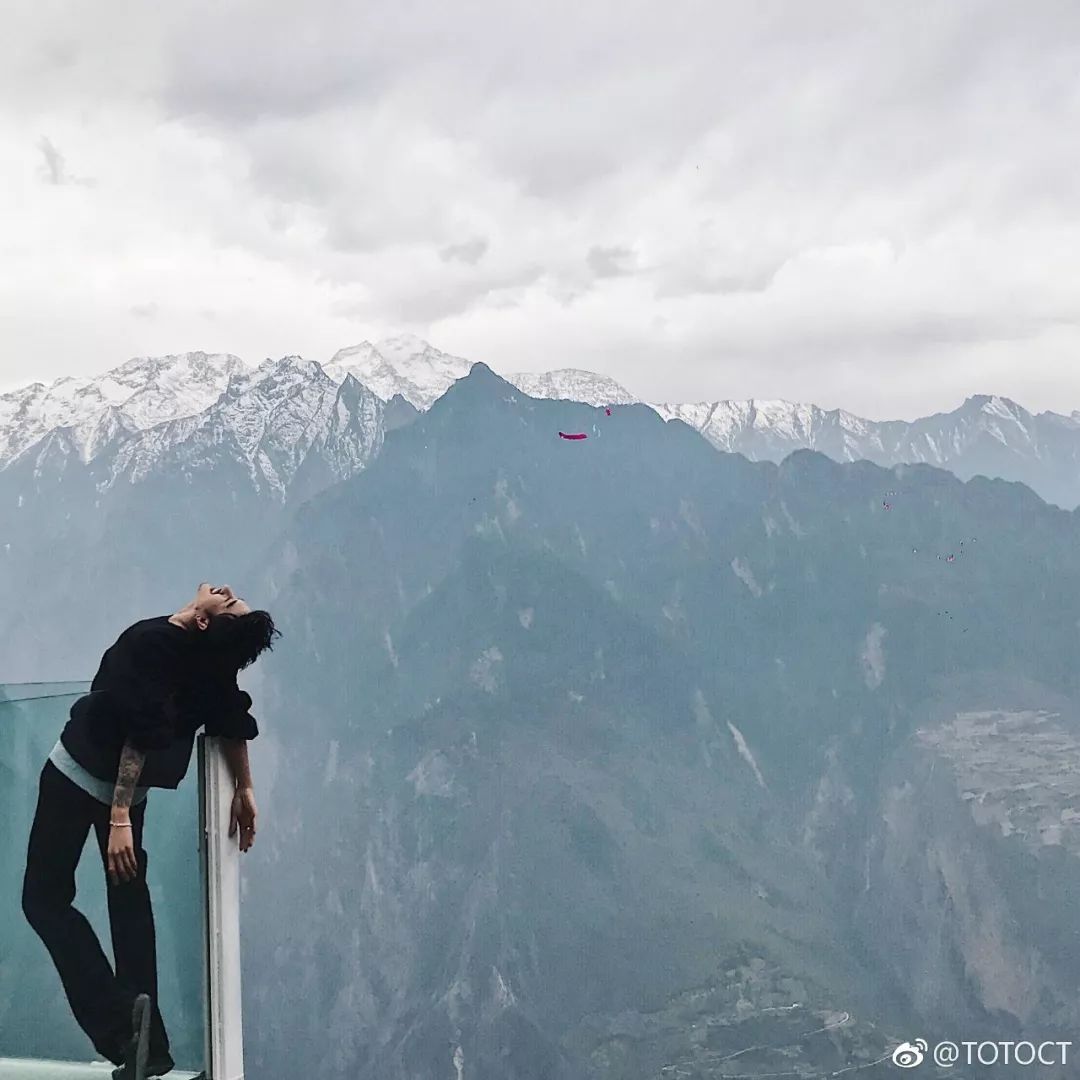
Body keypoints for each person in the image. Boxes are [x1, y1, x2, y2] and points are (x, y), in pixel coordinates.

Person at [21, 583, 281, 1079]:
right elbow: (231, 720)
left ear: (204, 621)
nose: (226, 591)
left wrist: (117, 816)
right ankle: (151, 1046)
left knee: (44, 900)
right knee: (129, 907)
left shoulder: (153, 643)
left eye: (227, 603)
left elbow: (141, 729)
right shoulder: (211, 664)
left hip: (75, 780)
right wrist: (244, 788)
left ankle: (122, 1023)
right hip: (128, 795)